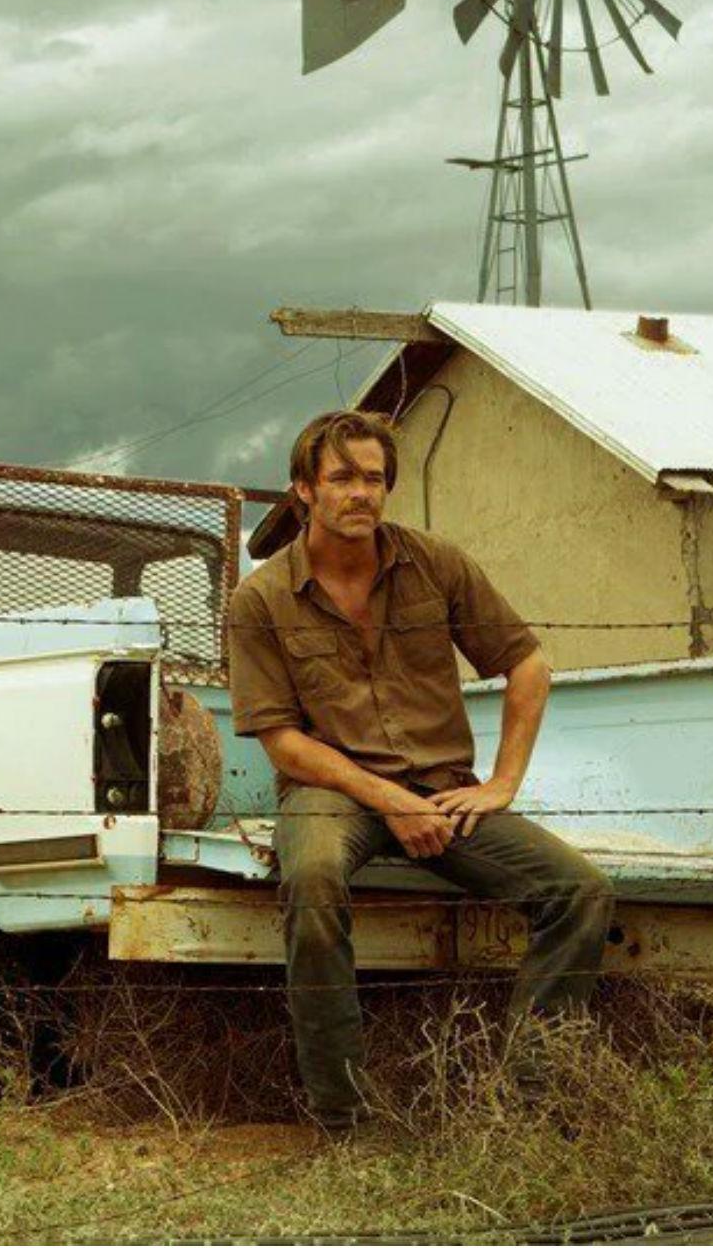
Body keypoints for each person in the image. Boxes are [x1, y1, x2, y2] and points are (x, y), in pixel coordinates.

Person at [226, 409, 612, 1136]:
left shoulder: (437, 564)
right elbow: (282, 742)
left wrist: (501, 785)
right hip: (332, 791)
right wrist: (390, 801)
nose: (360, 493)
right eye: (341, 477)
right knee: (310, 880)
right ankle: (345, 1119)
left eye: (374, 478)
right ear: (303, 490)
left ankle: (529, 1105)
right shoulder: (261, 599)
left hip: (444, 788)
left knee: (579, 891)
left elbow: (528, 664)